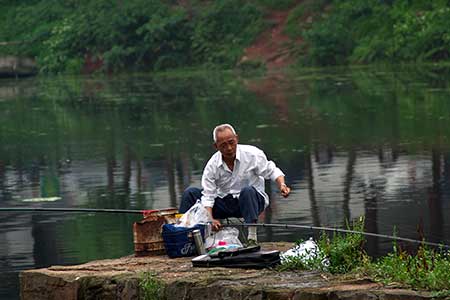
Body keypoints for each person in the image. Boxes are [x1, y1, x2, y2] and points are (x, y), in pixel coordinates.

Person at [179, 123, 291, 244]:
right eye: (223, 145)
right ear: (216, 146)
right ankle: (183, 235)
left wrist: (282, 185)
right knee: (190, 193)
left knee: (247, 191)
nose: (229, 148)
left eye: (231, 142)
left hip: (251, 201)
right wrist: (211, 219)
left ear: (237, 138)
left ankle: (252, 238)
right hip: (225, 202)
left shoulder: (252, 154)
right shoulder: (212, 165)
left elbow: (272, 170)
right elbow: (208, 195)